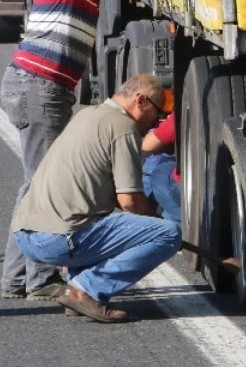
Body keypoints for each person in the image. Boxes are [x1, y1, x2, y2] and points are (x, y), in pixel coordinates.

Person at [0, 0, 179, 300]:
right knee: (41, 182)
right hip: (38, 87)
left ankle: (23, 278)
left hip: (44, 88)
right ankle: (36, 279)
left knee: (38, 181)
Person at [12, 75, 180, 323]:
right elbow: (129, 201)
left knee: (98, 218)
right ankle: (85, 290)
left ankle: (77, 288)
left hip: (27, 236)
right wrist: (154, 224)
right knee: (168, 233)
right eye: (156, 114)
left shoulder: (88, 114)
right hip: (59, 238)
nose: (155, 123)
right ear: (141, 101)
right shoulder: (123, 127)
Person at [141, 112, 181, 224]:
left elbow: (148, 145)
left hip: (185, 189)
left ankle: (153, 221)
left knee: (155, 170)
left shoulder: (180, 114)